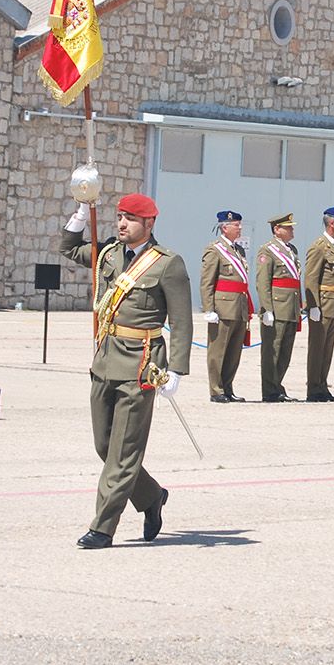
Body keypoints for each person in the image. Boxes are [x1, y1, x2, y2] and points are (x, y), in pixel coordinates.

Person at [60, 192, 193, 549]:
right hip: (104, 360)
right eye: (119, 217)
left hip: (141, 365)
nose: (122, 224)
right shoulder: (107, 254)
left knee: (123, 454)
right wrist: (80, 210)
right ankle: (151, 496)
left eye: (131, 219)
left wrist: (176, 369)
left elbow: (181, 321)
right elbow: (69, 248)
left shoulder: (168, 264)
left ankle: (103, 527)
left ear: (149, 224)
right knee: (105, 446)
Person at [200, 210, 252, 403]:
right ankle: (216, 390)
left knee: (233, 352)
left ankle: (228, 387)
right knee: (218, 351)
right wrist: (209, 309)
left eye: (240, 225)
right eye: (236, 225)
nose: (240, 228)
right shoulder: (214, 250)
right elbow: (207, 281)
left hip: (239, 307)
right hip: (222, 307)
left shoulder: (239, 250)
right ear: (224, 227)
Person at [255, 212, 303, 402]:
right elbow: (263, 282)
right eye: (288, 227)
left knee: (285, 352)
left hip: (290, 308)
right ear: (277, 229)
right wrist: (267, 309)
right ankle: (269, 391)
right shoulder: (267, 251)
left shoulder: (292, 250)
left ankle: (278, 385)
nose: (292, 230)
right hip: (277, 306)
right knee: (272, 351)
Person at [304, 207, 334, 402]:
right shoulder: (319, 246)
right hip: (322, 305)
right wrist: (312, 305)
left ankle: (322, 386)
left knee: (327, 349)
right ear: (332, 224)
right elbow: (311, 278)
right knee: (317, 348)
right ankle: (313, 388)